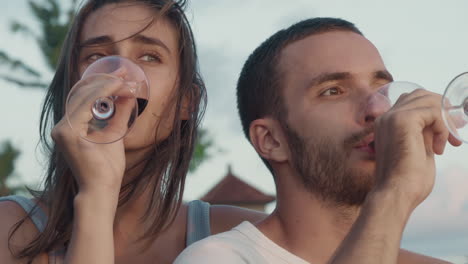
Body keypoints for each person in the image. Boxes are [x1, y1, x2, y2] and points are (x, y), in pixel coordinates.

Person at [175, 17, 462, 264]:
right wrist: (395, 192)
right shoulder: (219, 257)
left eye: (381, 88)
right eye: (333, 91)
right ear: (272, 140)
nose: (378, 108)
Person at [0, 1, 265, 263]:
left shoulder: (242, 237)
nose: (119, 74)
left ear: (186, 102)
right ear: (71, 88)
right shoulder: (11, 228)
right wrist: (96, 196)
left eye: (149, 56)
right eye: (96, 56)